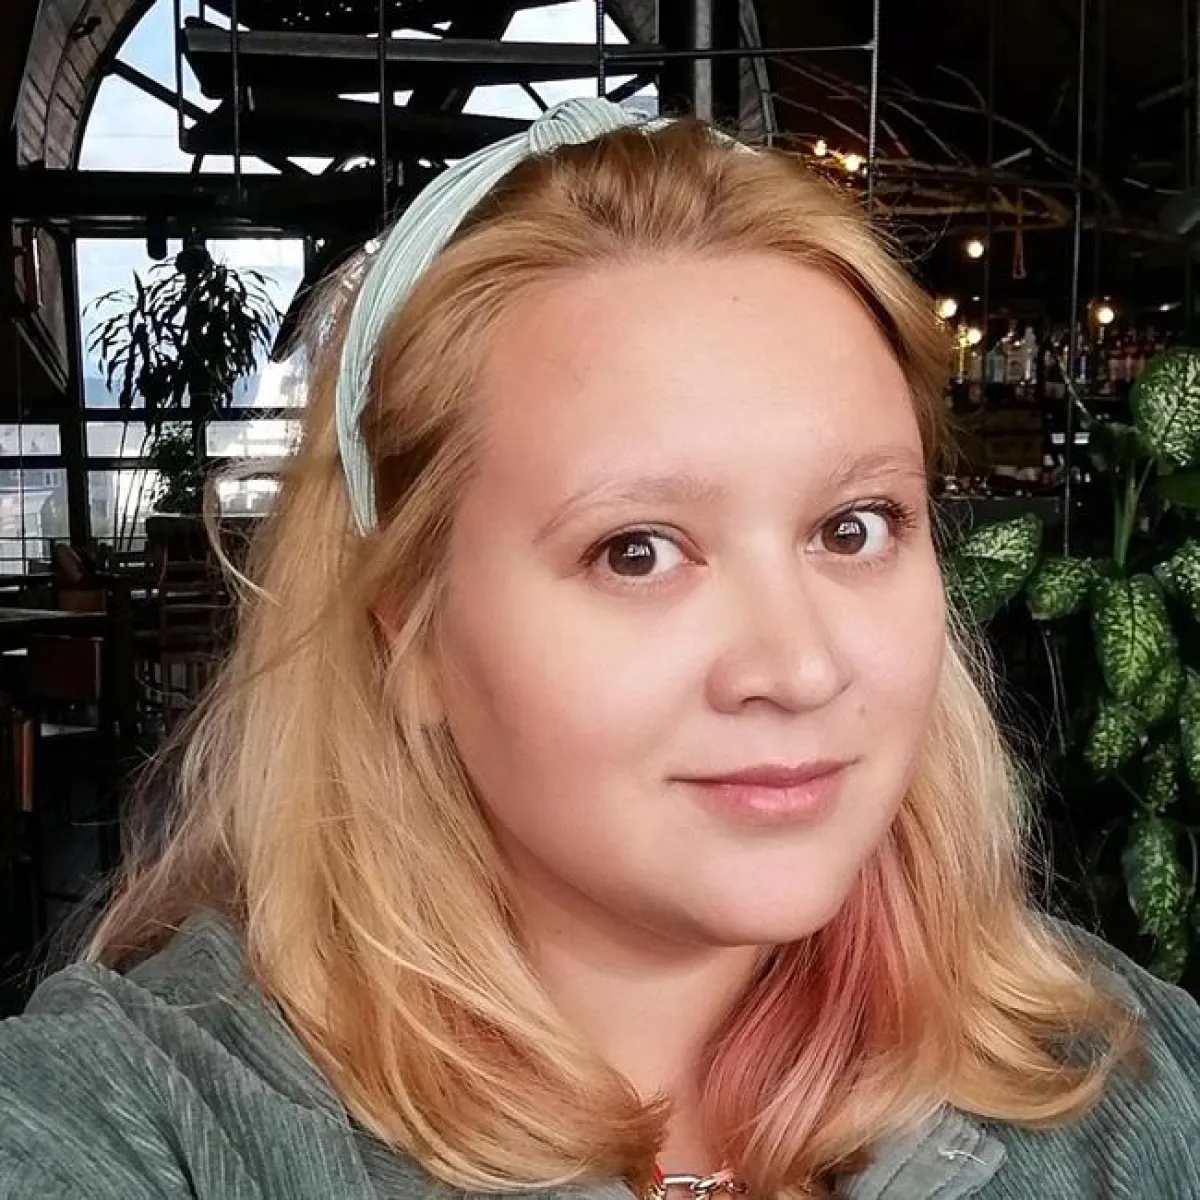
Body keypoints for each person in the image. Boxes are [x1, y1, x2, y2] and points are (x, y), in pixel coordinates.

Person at [0, 98, 1197, 1200]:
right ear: (410, 632)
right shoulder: (148, 1120)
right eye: (637, 551)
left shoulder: (1132, 1082)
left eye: (854, 527)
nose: (800, 668)